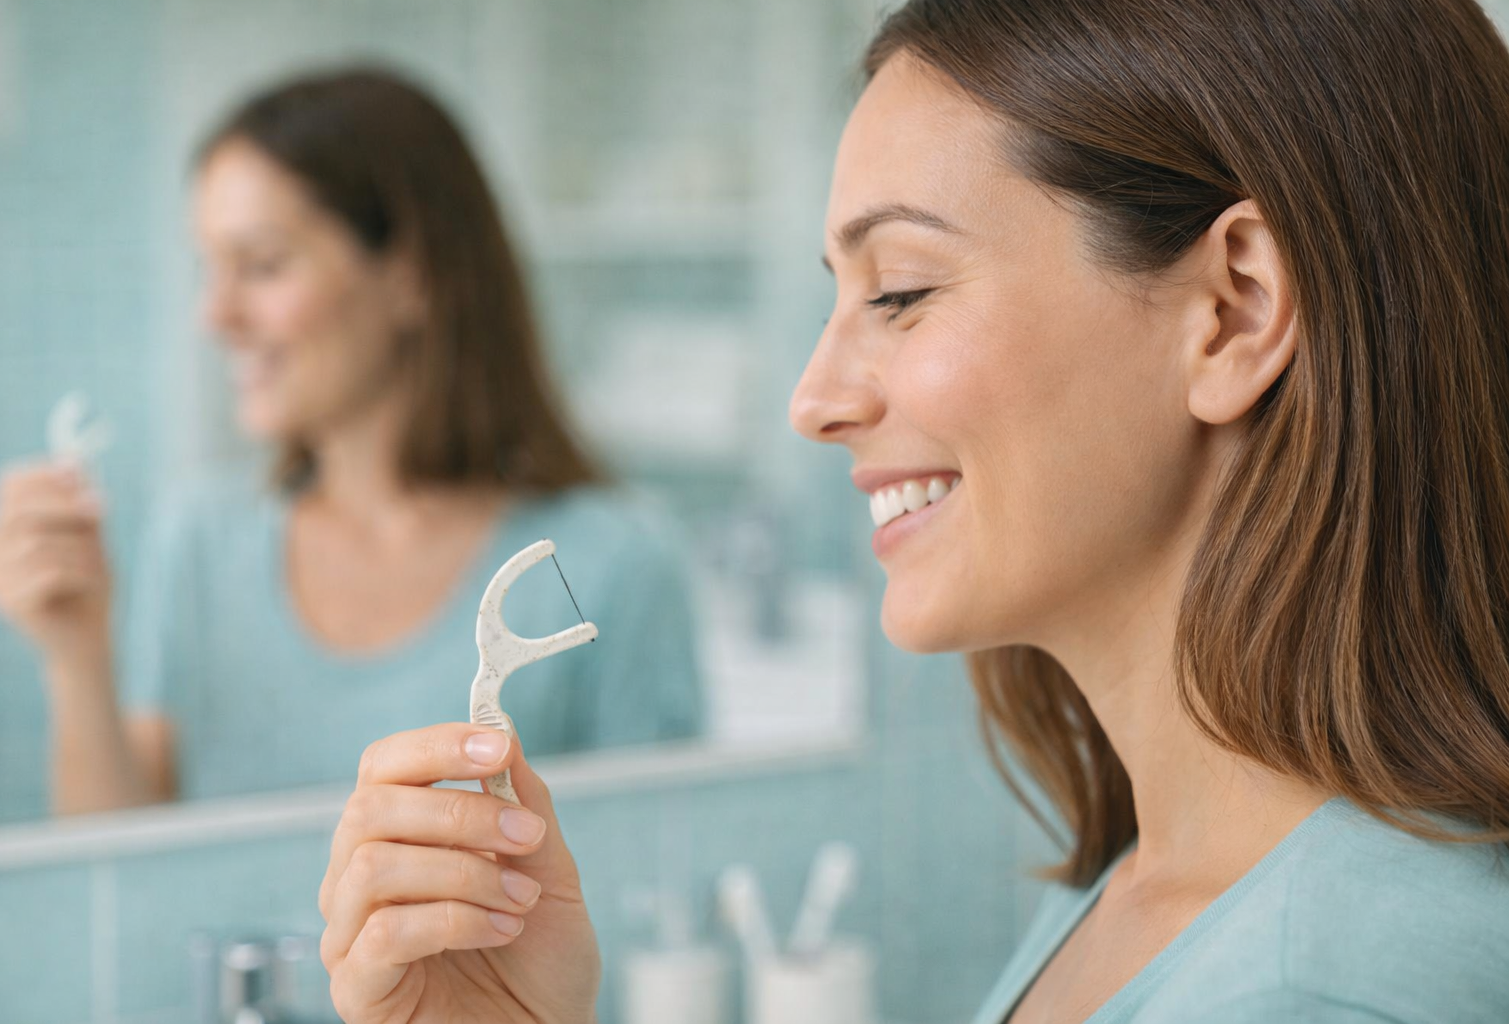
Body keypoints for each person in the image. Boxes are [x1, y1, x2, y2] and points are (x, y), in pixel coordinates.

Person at [313, 1, 1509, 1021]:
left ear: (1236, 311)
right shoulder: (1160, 888)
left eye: (902, 291)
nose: (814, 399)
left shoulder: (1327, 987)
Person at [0, 68, 703, 814]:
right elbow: (120, 879)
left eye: (260, 266)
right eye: (210, 270)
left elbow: (654, 876)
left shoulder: (614, 564)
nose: (215, 316)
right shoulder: (198, 540)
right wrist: (76, 655)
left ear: (411, 271)